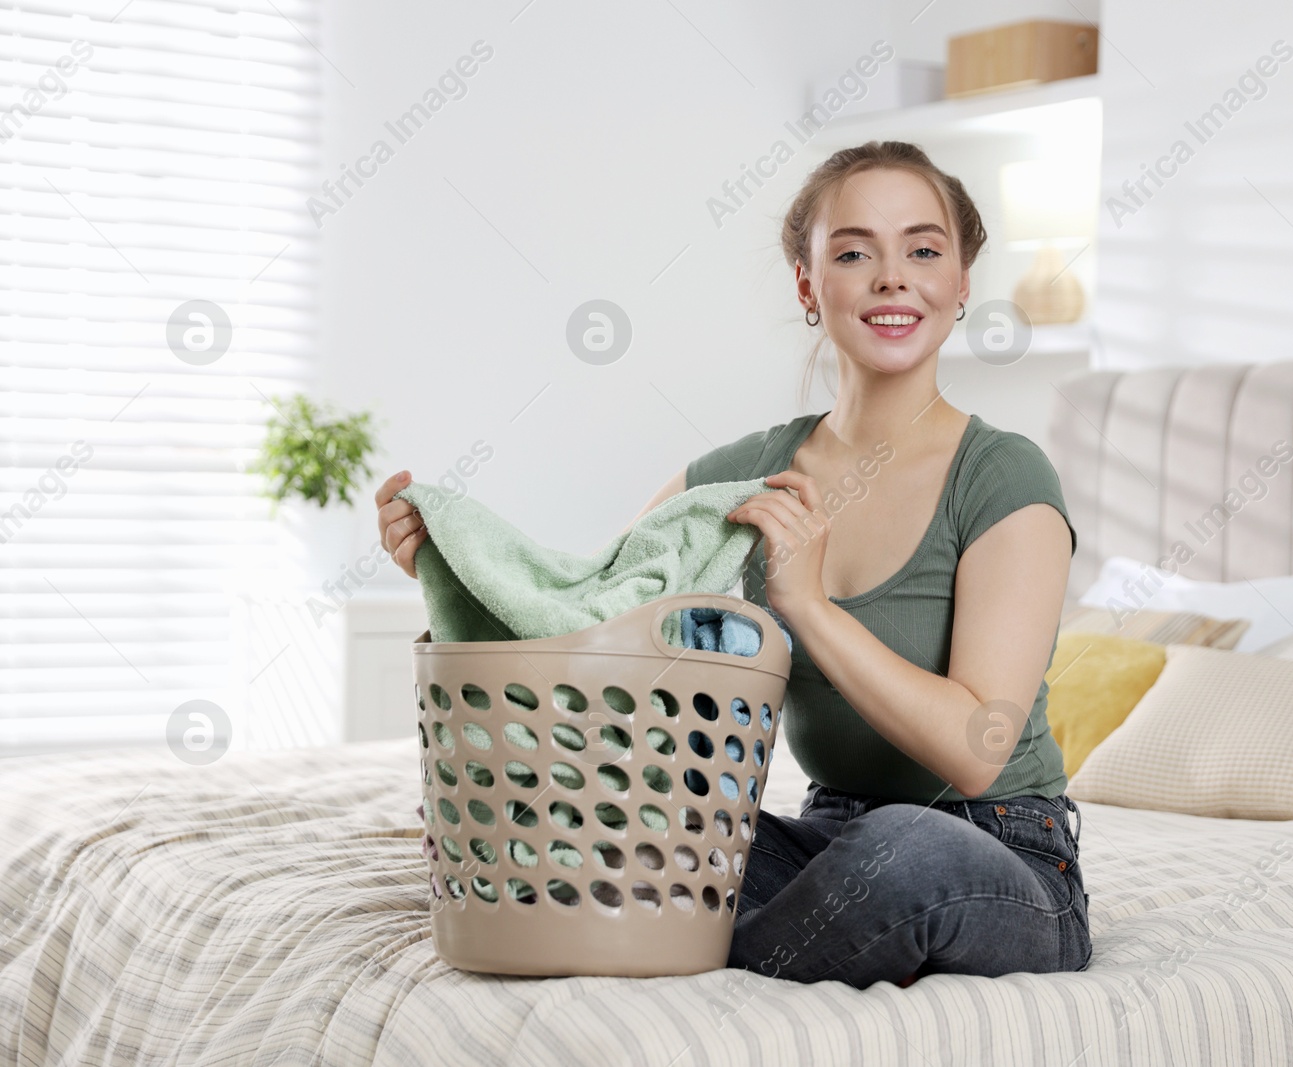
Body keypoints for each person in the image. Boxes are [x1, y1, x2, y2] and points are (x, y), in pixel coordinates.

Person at [374, 139, 1090, 991]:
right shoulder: (736, 482)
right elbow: (591, 628)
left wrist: (807, 605)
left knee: (902, 848)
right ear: (807, 286)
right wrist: (451, 566)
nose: (893, 277)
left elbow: (978, 750)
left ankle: (698, 959)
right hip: (827, 839)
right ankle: (683, 932)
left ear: (962, 282)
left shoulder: (1004, 476)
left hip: (999, 853)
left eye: (925, 250)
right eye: (855, 252)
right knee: (619, 825)